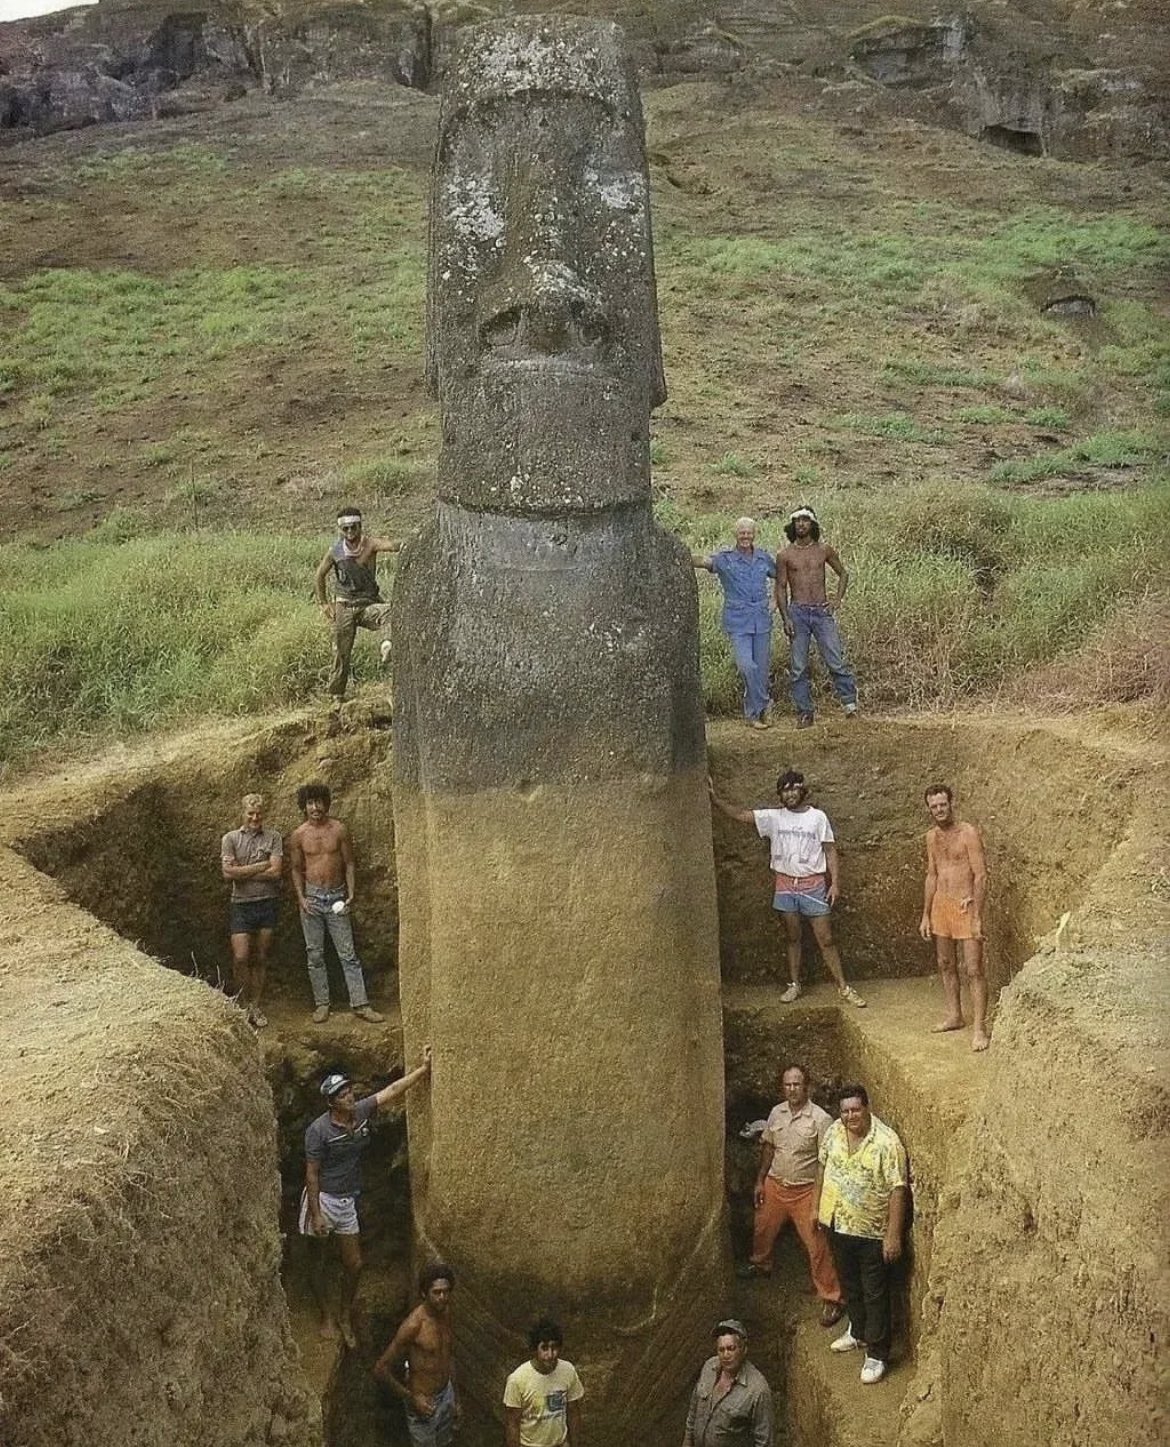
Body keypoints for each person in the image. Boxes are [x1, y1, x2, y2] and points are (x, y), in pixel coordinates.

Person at [300, 1050, 432, 1346]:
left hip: (346, 1201)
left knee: (355, 1264)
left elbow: (391, 1091)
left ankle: (345, 1314)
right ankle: (326, 1314)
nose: (349, 1096)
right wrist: (317, 1213)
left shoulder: (359, 1112)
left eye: (349, 1090)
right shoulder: (318, 1131)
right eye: (342, 1094)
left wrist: (423, 1070)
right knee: (318, 1258)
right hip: (323, 1199)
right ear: (331, 1102)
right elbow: (311, 1174)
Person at [709, 770, 866, 1007]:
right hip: (785, 885)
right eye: (785, 790)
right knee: (793, 937)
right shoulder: (774, 818)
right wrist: (715, 798)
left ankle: (844, 987)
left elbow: (830, 850)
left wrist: (835, 883)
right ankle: (794, 984)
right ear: (780, 794)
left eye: (793, 789)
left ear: (802, 790)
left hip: (813, 885)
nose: (790, 794)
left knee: (826, 939)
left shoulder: (817, 818)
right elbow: (741, 815)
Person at [814, 1085, 908, 1386]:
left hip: (871, 1231)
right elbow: (822, 1166)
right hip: (838, 1223)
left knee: (874, 1291)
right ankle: (857, 1331)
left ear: (867, 1108)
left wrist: (893, 1235)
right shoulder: (834, 1133)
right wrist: (817, 1208)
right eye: (845, 1111)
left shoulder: (886, 1143)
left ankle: (877, 1353)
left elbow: (897, 1190)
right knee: (850, 1284)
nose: (850, 1116)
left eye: (855, 1109)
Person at [738, 1064, 845, 1327]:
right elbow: (769, 1147)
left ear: (806, 1086)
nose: (792, 1089)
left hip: (806, 1190)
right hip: (776, 1184)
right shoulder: (777, 1112)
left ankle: (832, 1297)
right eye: (787, 1084)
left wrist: (819, 1203)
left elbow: (826, 1164)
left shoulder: (820, 1120)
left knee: (817, 1244)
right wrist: (760, 1181)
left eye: (797, 1084)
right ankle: (761, 1264)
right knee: (762, 1228)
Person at [288, 781, 383, 1023]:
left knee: (348, 954)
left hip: (337, 897)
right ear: (304, 806)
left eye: (319, 802)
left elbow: (349, 863)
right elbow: (296, 869)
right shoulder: (299, 835)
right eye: (310, 803)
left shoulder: (339, 830)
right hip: (312, 899)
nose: (315, 807)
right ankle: (322, 1004)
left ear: (326, 803)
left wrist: (351, 893)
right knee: (315, 955)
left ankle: (361, 1004)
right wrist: (301, 899)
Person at [919, 783, 990, 1052]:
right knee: (946, 963)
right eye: (934, 806)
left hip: (965, 906)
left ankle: (979, 1028)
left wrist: (977, 915)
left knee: (973, 968)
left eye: (942, 805)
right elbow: (932, 875)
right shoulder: (931, 837)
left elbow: (981, 875)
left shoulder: (968, 833)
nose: (939, 810)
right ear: (929, 808)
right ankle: (955, 1014)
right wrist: (926, 914)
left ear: (951, 804)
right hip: (941, 906)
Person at [775, 505, 858, 728]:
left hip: (822, 612)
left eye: (805, 520)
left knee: (836, 660)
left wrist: (837, 599)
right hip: (798, 612)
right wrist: (786, 618)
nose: (801, 524)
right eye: (797, 521)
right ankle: (805, 712)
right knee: (799, 666)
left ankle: (850, 704)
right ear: (793, 525)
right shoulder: (785, 555)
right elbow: (781, 587)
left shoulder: (824, 550)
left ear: (812, 524)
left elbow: (843, 573)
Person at [693, 518, 777, 730]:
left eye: (749, 532)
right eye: (742, 533)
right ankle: (765, 702)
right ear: (735, 535)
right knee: (747, 666)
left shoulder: (763, 558)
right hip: (738, 620)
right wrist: (677, 554)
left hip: (762, 618)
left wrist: (775, 600)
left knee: (762, 668)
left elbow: (781, 577)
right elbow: (704, 561)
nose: (745, 536)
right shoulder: (725, 559)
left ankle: (754, 715)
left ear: (754, 534)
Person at [314, 506, 401, 699]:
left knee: (391, 612)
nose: (350, 532)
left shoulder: (370, 544)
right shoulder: (336, 551)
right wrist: (324, 603)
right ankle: (336, 696)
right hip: (344, 605)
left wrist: (412, 543)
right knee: (341, 653)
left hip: (367, 605)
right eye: (346, 529)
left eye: (354, 527)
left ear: (360, 526)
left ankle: (387, 644)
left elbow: (394, 545)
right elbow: (319, 576)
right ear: (340, 530)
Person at [373, 1262, 460, 1446]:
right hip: (423, 1403)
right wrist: (412, 1398)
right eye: (436, 1292)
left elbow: (449, 1355)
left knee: (445, 1442)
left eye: (446, 1291)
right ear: (424, 1293)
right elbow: (381, 1368)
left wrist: (456, 1399)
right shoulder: (414, 1326)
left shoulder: (446, 1313)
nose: (442, 1297)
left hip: (446, 1395)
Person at [220, 792, 282, 1030]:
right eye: (251, 813)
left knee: (260, 957)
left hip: (267, 903)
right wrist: (261, 865)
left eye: (259, 814)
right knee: (241, 957)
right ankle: (242, 1003)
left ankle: (255, 1005)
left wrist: (242, 871)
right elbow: (227, 874)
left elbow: (276, 872)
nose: (255, 818)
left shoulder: (273, 837)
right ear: (243, 813)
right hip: (241, 905)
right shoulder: (230, 839)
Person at [682, 1318, 774, 1447]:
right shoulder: (709, 1367)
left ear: (743, 1349)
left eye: (731, 1348)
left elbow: (764, 1442)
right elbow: (692, 1414)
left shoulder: (757, 1390)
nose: (726, 1355)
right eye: (721, 1349)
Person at [503, 1318, 584, 1447]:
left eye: (554, 1347)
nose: (550, 1354)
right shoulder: (517, 1379)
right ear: (535, 1350)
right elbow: (512, 1423)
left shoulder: (568, 1371)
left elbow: (573, 1412)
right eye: (544, 1348)